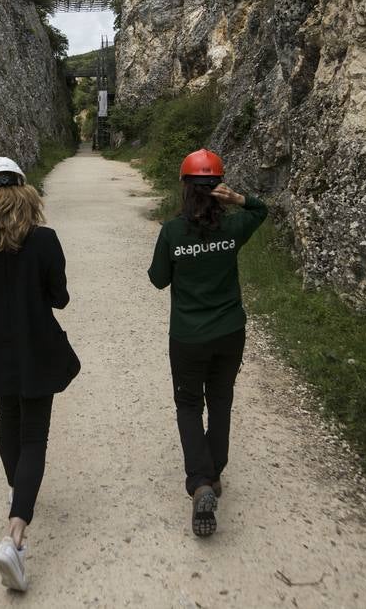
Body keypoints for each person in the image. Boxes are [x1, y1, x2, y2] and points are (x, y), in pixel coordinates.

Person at [0, 156, 80, 591]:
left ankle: (18, 493)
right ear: (25, 192)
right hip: (37, 349)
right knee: (34, 437)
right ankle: (15, 537)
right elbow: (60, 298)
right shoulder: (44, 240)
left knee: (9, 422)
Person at [147, 148, 267, 537]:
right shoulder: (232, 229)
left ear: (185, 188)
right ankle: (213, 476)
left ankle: (200, 481)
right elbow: (261, 211)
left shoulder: (172, 231)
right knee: (220, 400)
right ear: (218, 188)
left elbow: (158, 279)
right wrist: (240, 200)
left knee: (187, 403)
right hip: (230, 331)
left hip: (188, 336)